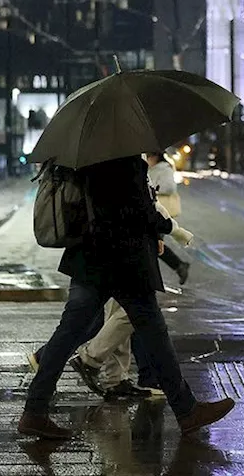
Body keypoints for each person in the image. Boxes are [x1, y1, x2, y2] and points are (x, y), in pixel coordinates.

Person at [19, 155, 234, 439]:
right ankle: (186, 410)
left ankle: (35, 409)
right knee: (153, 333)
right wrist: (168, 227)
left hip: (89, 257)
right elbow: (137, 210)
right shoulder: (123, 157)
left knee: (70, 332)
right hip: (124, 261)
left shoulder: (91, 156)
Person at [69, 152, 190, 401]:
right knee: (129, 315)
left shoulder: (122, 160)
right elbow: (141, 208)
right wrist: (168, 229)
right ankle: (88, 359)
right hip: (123, 252)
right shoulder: (124, 162)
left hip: (116, 249)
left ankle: (115, 379)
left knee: (116, 313)